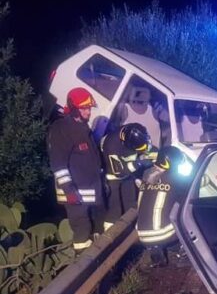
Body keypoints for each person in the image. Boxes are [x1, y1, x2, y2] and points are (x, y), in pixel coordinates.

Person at [47, 88, 105, 251]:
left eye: (89, 108)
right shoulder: (61, 129)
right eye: (84, 108)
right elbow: (58, 164)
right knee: (81, 230)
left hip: (88, 190)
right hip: (74, 192)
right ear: (73, 108)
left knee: (94, 225)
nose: (88, 112)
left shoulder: (82, 127)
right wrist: (69, 190)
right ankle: (82, 257)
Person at [136, 146, 190, 266]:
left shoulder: (146, 175)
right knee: (187, 210)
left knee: (163, 204)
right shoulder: (175, 179)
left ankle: (157, 250)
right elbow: (196, 183)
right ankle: (183, 252)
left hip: (142, 233)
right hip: (162, 233)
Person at [101, 123, 154, 230]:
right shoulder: (111, 145)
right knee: (115, 209)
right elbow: (118, 172)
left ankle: (130, 229)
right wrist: (138, 163)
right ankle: (109, 233)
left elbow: (145, 148)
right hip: (113, 177)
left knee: (130, 203)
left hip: (129, 174)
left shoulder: (135, 132)